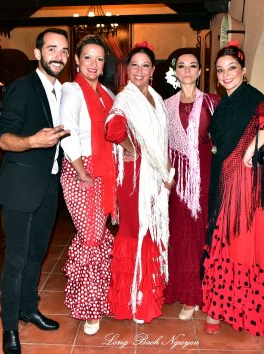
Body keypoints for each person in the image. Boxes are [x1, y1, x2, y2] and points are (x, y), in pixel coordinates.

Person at [201, 41, 264, 336]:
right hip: (223, 179)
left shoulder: (251, 96)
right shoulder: (226, 101)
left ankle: (245, 312)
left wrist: (250, 151)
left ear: (244, 71)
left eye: (232, 69)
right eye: (221, 70)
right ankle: (216, 309)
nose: (226, 75)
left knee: (239, 243)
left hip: (242, 185)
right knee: (220, 241)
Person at [0, 28, 70, 354]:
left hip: (48, 185)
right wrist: (33, 141)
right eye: (52, 49)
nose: (59, 56)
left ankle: (29, 307)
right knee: (17, 260)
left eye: (64, 51)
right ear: (38, 53)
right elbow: (4, 139)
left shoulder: (64, 92)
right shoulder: (21, 88)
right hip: (21, 187)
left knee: (37, 255)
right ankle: (9, 327)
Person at [105, 41, 174, 324]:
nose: (139, 70)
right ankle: (132, 302)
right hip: (135, 180)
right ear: (126, 69)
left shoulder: (156, 98)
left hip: (155, 176)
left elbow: (162, 141)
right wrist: (130, 148)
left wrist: (167, 172)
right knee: (137, 232)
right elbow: (112, 127)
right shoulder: (125, 98)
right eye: (134, 65)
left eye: (145, 65)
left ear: (153, 70)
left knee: (151, 232)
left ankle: (145, 296)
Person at [59, 35, 116, 336]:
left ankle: (97, 296)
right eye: (88, 58)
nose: (93, 64)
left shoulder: (106, 92)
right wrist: (82, 172)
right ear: (78, 61)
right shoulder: (71, 90)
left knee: (98, 234)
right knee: (91, 238)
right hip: (82, 168)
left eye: (99, 59)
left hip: (104, 171)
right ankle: (89, 306)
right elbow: (67, 132)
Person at [163, 53, 220, 320]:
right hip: (176, 178)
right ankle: (183, 289)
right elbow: (161, 143)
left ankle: (198, 294)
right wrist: (166, 172)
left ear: (199, 71)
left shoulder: (212, 102)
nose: (187, 70)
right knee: (180, 233)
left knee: (201, 232)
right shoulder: (166, 105)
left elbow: (226, 134)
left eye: (192, 66)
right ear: (175, 71)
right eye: (181, 66)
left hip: (204, 175)